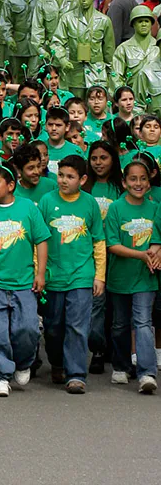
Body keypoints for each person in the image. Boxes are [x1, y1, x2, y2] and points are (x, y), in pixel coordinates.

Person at [0, 165, 49, 397]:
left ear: (10, 185)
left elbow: (42, 240)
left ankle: (24, 361)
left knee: (27, 329)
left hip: (24, 282)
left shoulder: (28, 208)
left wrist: (40, 273)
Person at [38, 155, 105, 394]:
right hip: (53, 275)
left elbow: (99, 241)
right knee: (54, 326)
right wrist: (39, 271)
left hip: (82, 275)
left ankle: (76, 374)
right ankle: (57, 362)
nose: (64, 181)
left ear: (82, 179)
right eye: (61, 175)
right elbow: (40, 239)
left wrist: (100, 276)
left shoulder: (89, 204)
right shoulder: (47, 201)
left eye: (70, 177)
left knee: (77, 326)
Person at [104, 160, 161, 392]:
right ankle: (121, 365)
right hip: (119, 277)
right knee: (119, 324)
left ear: (149, 183)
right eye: (133, 179)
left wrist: (156, 254)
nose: (138, 183)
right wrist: (141, 255)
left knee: (143, 322)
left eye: (143, 179)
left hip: (145, 279)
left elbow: (157, 239)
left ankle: (147, 373)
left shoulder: (155, 207)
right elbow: (112, 245)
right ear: (124, 182)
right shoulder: (116, 208)